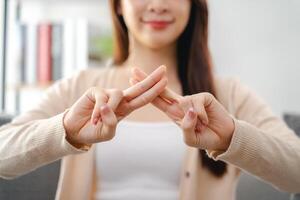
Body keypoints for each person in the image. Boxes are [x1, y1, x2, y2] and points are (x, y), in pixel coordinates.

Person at [1, 0, 300, 199]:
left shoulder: (229, 95)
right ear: (118, 5)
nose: (158, 5)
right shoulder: (80, 86)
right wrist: (64, 129)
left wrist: (232, 138)